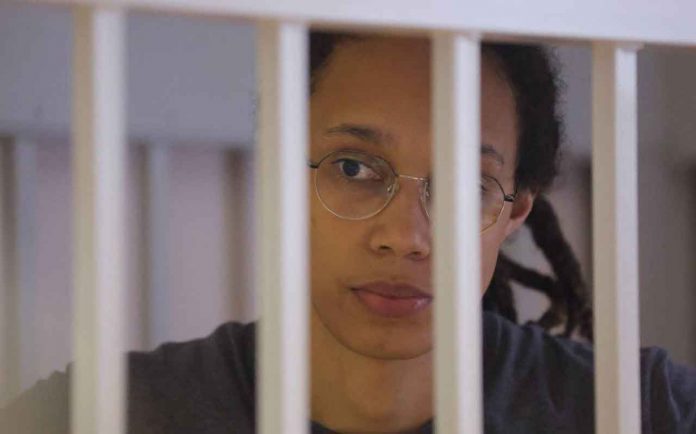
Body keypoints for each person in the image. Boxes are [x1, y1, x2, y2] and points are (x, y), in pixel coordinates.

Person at [1, 31, 695, 434]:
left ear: (513, 213)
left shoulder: (646, 413)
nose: (406, 237)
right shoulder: (99, 416)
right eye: (355, 167)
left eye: (463, 187)